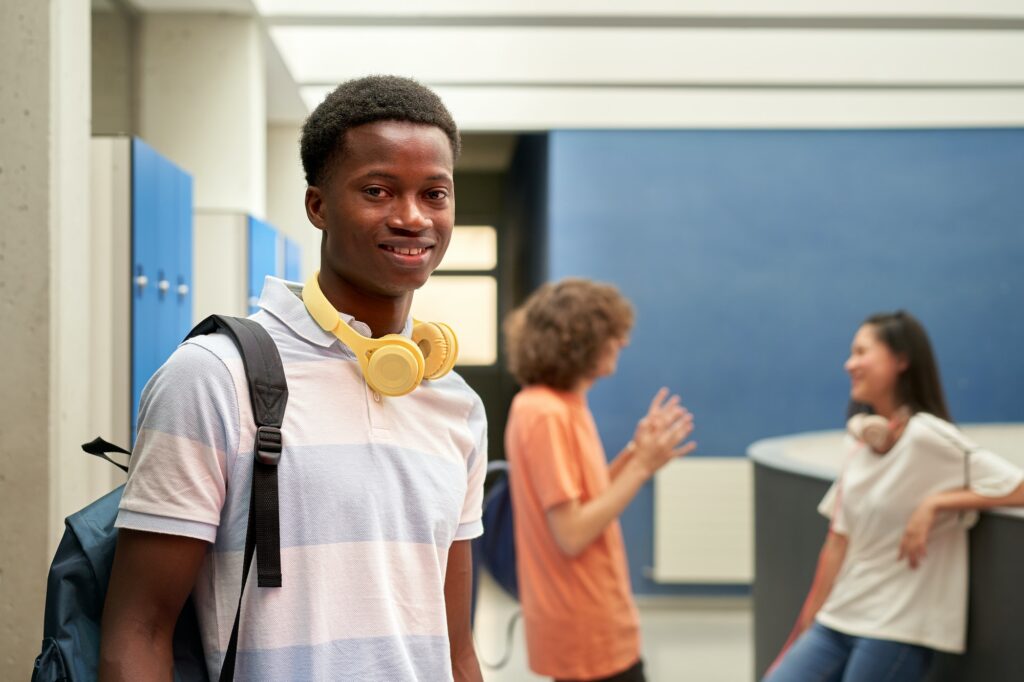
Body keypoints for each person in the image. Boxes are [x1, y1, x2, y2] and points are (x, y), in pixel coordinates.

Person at [99, 76, 486, 681]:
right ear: (318, 206)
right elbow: (138, 629)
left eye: (434, 194)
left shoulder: (455, 402)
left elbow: (456, 647)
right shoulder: (213, 376)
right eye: (378, 190)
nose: (413, 218)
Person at [765, 311, 1024, 682]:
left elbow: (1019, 487)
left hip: (896, 628)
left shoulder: (928, 437)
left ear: (902, 360)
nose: (849, 364)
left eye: (861, 352)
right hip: (839, 618)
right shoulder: (859, 443)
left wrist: (937, 502)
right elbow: (837, 542)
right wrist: (810, 625)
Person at [503, 278, 697, 682]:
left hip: (593, 617)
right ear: (582, 341)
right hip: (582, 625)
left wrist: (634, 454)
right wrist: (642, 467)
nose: (622, 343)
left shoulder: (564, 406)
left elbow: (586, 498)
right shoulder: (544, 413)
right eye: (612, 334)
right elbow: (571, 533)